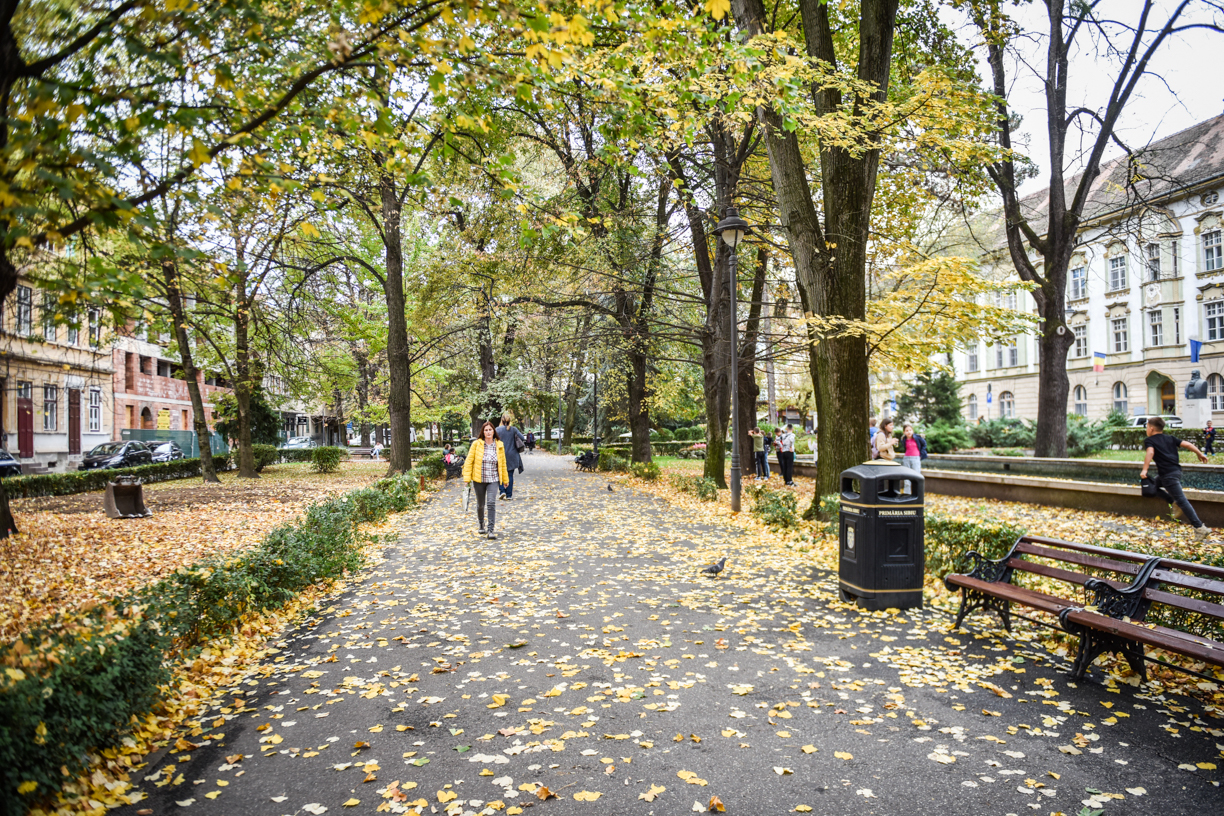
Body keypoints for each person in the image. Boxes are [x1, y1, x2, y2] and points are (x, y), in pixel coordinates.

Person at [1141, 416, 1211, 539]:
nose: (1146, 429)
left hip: (1168, 476)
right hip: (1173, 472)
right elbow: (1188, 444)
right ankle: (1173, 502)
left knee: (1182, 501)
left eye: (1147, 427)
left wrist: (1145, 470)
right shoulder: (1170, 438)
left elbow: (1150, 452)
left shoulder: (1150, 440)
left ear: (1151, 428)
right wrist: (1199, 453)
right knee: (1153, 486)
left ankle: (1200, 527)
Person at [462, 420, 509, 539]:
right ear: (483, 432)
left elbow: (503, 463)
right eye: (486, 430)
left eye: (490, 430)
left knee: (491, 502)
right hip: (479, 479)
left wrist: (505, 479)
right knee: (481, 504)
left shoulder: (499, 445)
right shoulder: (476, 444)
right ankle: (481, 523)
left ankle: (491, 530)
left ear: (494, 431)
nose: (488, 432)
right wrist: (467, 478)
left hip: (493, 479)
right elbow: (469, 461)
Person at [495, 413, 526, 500]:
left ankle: (502, 491)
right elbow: (522, 438)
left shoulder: (497, 429)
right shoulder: (513, 429)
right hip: (512, 455)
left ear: (502, 420)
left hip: (501, 454)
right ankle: (509, 495)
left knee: (500, 473)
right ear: (509, 421)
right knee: (510, 475)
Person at [900, 423, 927, 494]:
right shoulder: (903, 439)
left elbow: (924, 444)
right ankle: (907, 494)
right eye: (906, 430)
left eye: (910, 430)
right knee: (907, 477)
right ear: (904, 432)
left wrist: (921, 454)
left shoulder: (917, 438)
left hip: (915, 458)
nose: (909, 432)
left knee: (917, 476)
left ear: (913, 430)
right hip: (906, 458)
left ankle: (917, 494)